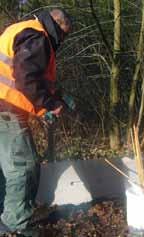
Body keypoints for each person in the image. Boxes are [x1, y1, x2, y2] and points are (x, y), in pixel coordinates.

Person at [0, 8, 72, 236]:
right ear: (57, 24)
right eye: (64, 34)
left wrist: (50, 100)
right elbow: (26, 79)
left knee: (7, 166)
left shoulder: (21, 29)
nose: (62, 40)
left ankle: (9, 213)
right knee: (24, 166)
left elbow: (26, 75)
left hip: (6, 106)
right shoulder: (38, 36)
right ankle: (15, 224)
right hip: (8, 109)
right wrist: (49, 104)